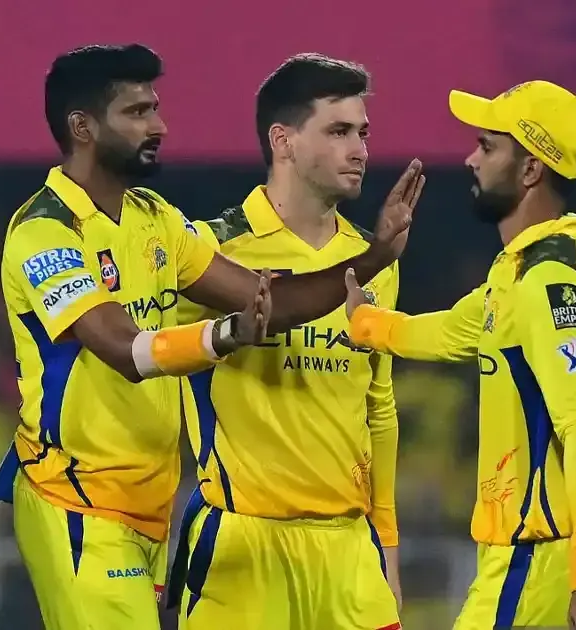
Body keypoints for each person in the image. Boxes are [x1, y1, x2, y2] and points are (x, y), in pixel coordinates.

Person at [0, 43, 423, 630]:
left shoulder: (155, 219)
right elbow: (124, 350)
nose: (159, 126)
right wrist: (227, 335)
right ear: (82, 127)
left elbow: (267, 300)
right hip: (76, 496)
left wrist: (371, 260)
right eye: (137, 112)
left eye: (155, 108)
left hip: (151, 505)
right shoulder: (45, 232)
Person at [345, 80, 576, 629]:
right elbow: (447, 332)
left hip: (543, 556)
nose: (470, 159)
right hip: (527, 553)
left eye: (487, 146)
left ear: (531, 169)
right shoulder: (515, 273)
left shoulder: (551, 282)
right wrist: (364, 321)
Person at [168, 53, 406, 630]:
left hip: (351, 555)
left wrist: (388, 549)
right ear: (284, 141)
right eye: (338, 131)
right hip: (243, 548)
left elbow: (378, 408)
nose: (360, 150)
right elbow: (154, 374)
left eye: (363, 133)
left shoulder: (374, 261)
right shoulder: (213, 251)